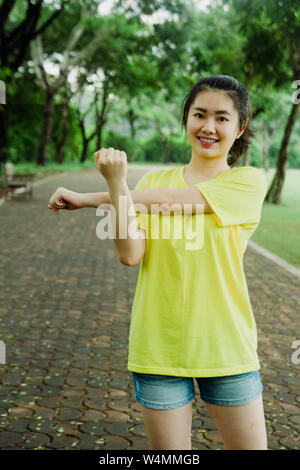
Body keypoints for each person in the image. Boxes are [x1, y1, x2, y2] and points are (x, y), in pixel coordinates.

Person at [48, 75, 268, 450]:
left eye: (222, 117)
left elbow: (177, 197)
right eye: (199, 114)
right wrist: (117, 186)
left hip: (226, 345)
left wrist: (86, 198)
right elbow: (129, 254)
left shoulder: (247, 182)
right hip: (159, 345)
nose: (208, 127)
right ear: (186, 119)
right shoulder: (152, 181)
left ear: (240, 126)